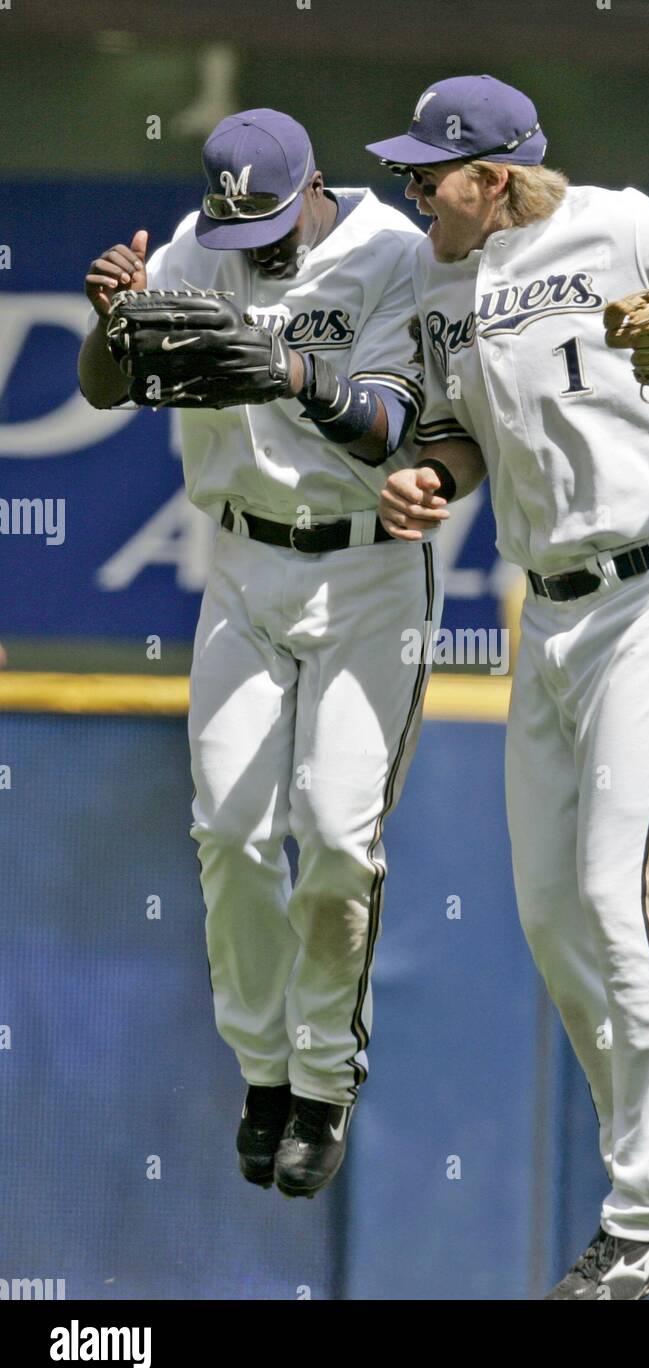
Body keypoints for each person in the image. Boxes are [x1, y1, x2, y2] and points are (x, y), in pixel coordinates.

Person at [367, 74, 649, 1299]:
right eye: (410, 170)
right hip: (548, 615)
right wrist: (432, 480)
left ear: (499, 176)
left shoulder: (616, 226)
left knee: (623, 893)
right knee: (554, 921)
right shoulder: (435, 281)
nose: (415, 190)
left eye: (432, 172)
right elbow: (458, 431)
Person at [79, 108, 439, 1200]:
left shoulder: (390, 252)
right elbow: (105, 388)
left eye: (275, 227)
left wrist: (290, 370)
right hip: (238, 563)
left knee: (333, 834)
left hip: (366, 569)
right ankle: (265, 1073)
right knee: (229, 828)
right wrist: (113, 322)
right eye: (240, 233)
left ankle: (326, 1076)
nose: (258, 253)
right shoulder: (197, 248)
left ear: (315, 185)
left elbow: (394, 426)